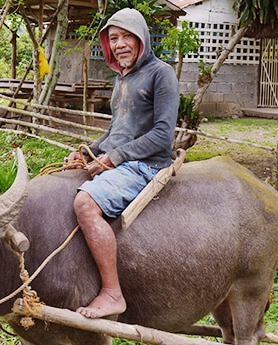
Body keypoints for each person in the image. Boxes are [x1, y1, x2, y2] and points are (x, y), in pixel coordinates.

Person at [66, 8, 180, 319]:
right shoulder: (122, 79)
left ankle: (113, 293)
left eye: (127, 36)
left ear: (142, 37)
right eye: (113, 38)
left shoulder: (161, 73)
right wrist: (90, 150)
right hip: (125, 160)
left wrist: (114, 157)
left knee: (85, 204)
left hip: (147, 165)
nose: (120, 44)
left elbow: (162, 134)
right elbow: (118, 130)